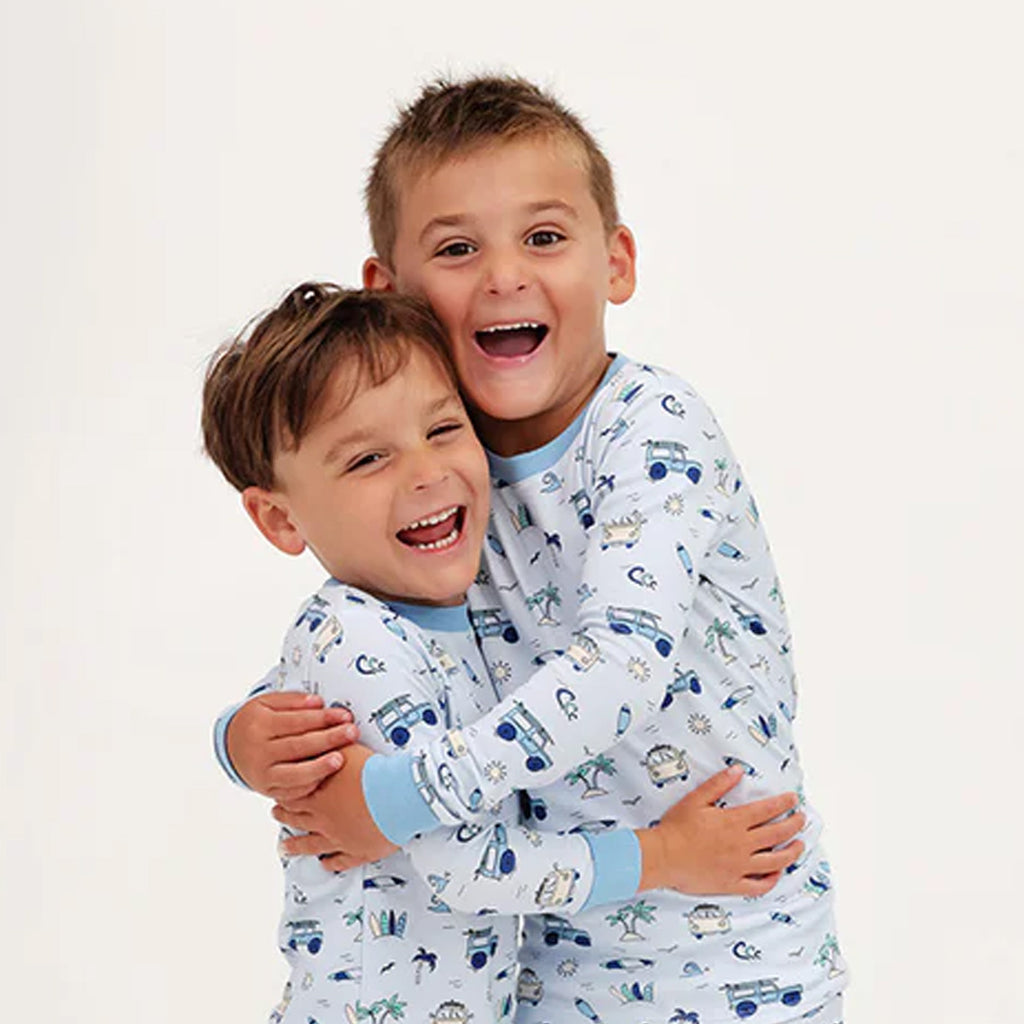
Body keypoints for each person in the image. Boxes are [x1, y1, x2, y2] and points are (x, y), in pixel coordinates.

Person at [219, 75, 846, 1023]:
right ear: (391, 296)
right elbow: (372, 645)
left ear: (616, 263)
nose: (504, 276)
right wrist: (248, 737)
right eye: (457, 248)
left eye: (544, 237)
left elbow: (623, 663)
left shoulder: (651, 431)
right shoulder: (438, 464)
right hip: (544, 957)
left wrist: (402, 799)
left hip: (728, 945)